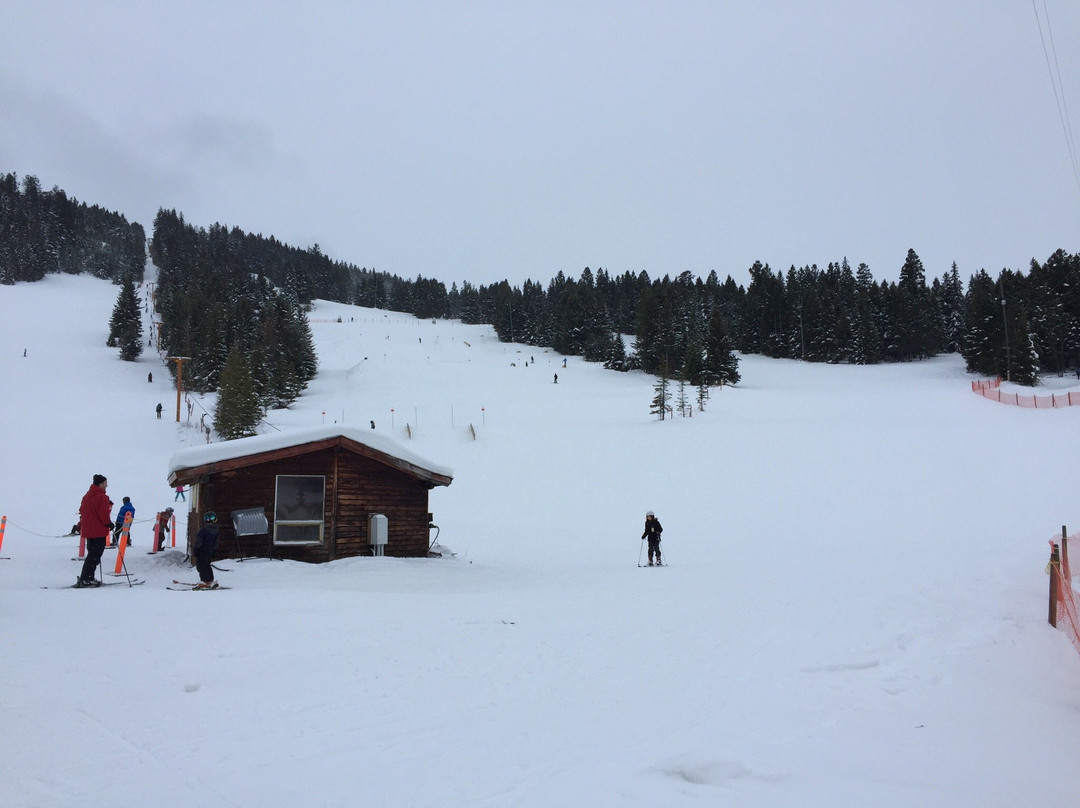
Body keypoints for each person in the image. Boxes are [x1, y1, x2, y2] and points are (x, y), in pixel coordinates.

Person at [76, 474, 113, 587]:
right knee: (95, 555)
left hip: (88, 530)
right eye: (105, 483)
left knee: (91, 554)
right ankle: (85, 578)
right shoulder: (102, 497)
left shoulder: (86, 496)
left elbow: (82, 511)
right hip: (99, 530)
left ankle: (88, 577)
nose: (107, 485)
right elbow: (103, 514)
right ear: (100, 484)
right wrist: (108, 523)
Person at [193, 512, 220, 589]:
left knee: (201, 566)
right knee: (207, 565)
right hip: (210, 550)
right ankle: (210, 580)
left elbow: (199, 541)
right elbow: (216, 542)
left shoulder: (204, 530)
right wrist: (214, 550)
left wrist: (196, 549)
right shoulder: (216, 530)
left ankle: (205, 581)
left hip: (202, 550)